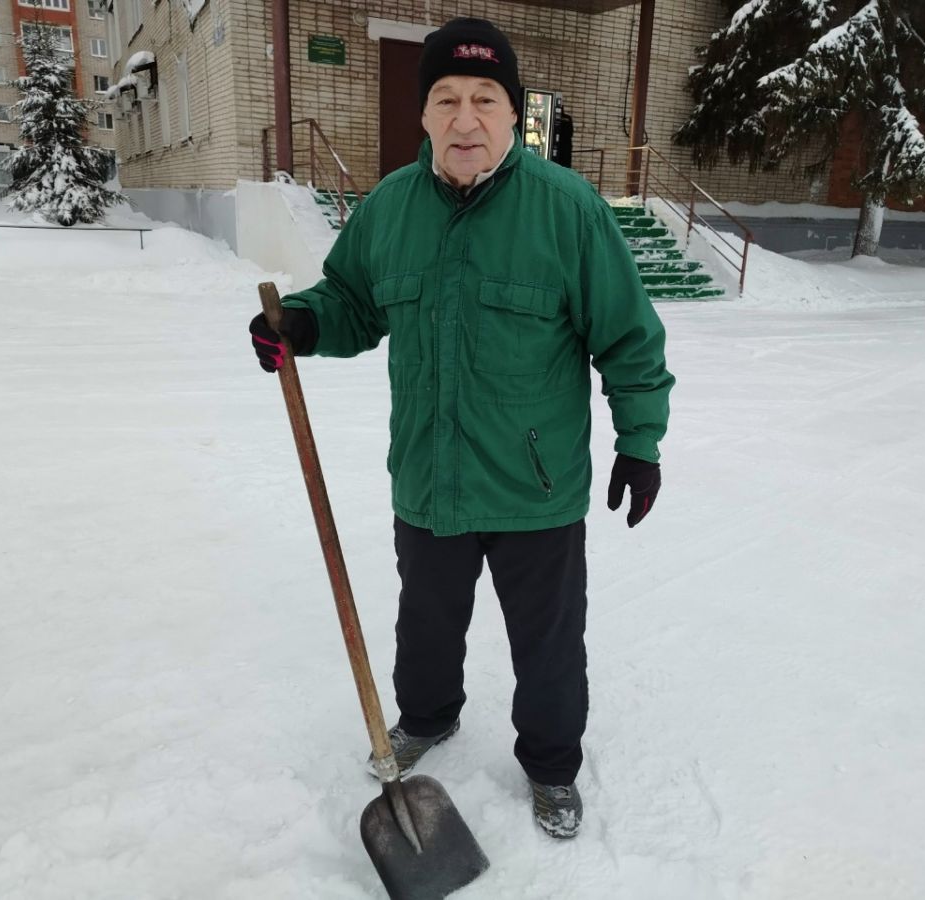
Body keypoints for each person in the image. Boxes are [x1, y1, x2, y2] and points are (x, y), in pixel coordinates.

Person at [249, 17, 673, 840]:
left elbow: (628, 336)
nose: (466, 119)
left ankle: (552, 768)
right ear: (424, 114)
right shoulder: (391, 209)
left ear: (515, 115)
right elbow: (351, 302)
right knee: (427, 625)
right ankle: (428, 717)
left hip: (535, 489)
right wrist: (300, 324)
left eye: (486, 99)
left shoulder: (567, 210)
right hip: (429, 478)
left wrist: (639, 441)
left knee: (548, 646)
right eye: (447, 99)